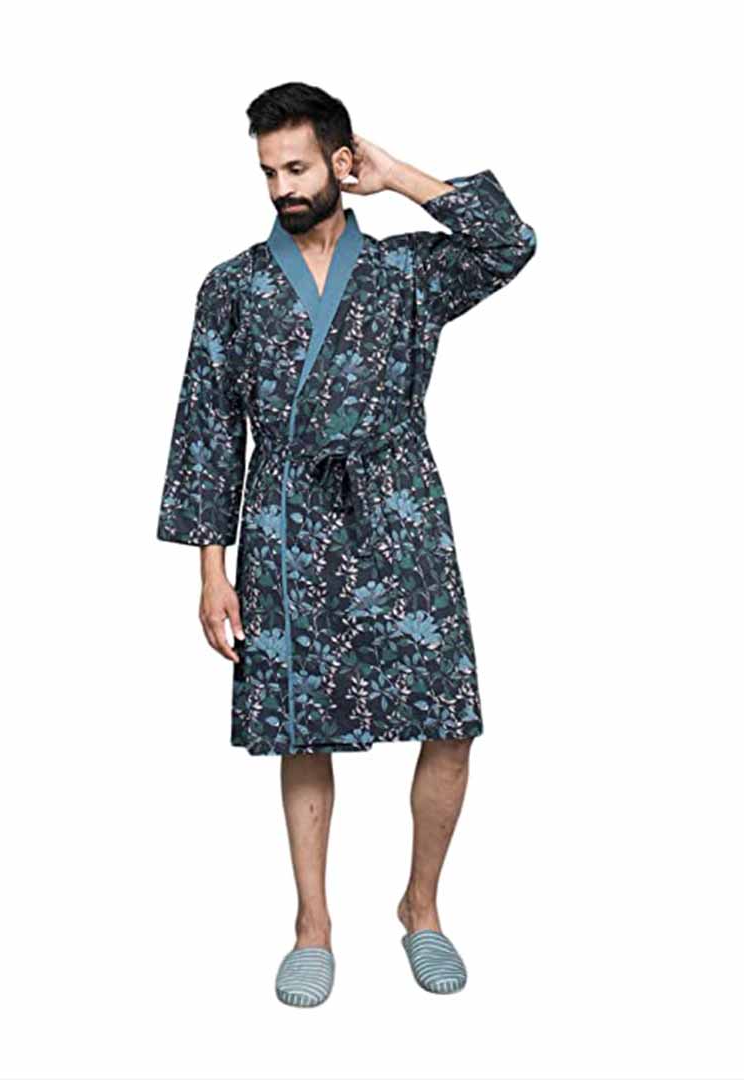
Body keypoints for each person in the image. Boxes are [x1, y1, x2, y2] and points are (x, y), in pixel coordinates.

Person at [156, 81, 536, 1006]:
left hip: (400, 509)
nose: (282, 187)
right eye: (267, 172)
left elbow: (509, 243)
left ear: (338, 160)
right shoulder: (234, 286)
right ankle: (313, 925)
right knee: (301, 721)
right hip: (286, 519)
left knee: (450, 717)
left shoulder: (405, 272)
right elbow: (209, 433)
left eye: (297, 167)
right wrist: (212, 574)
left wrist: (399, 174)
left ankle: (421, 909)